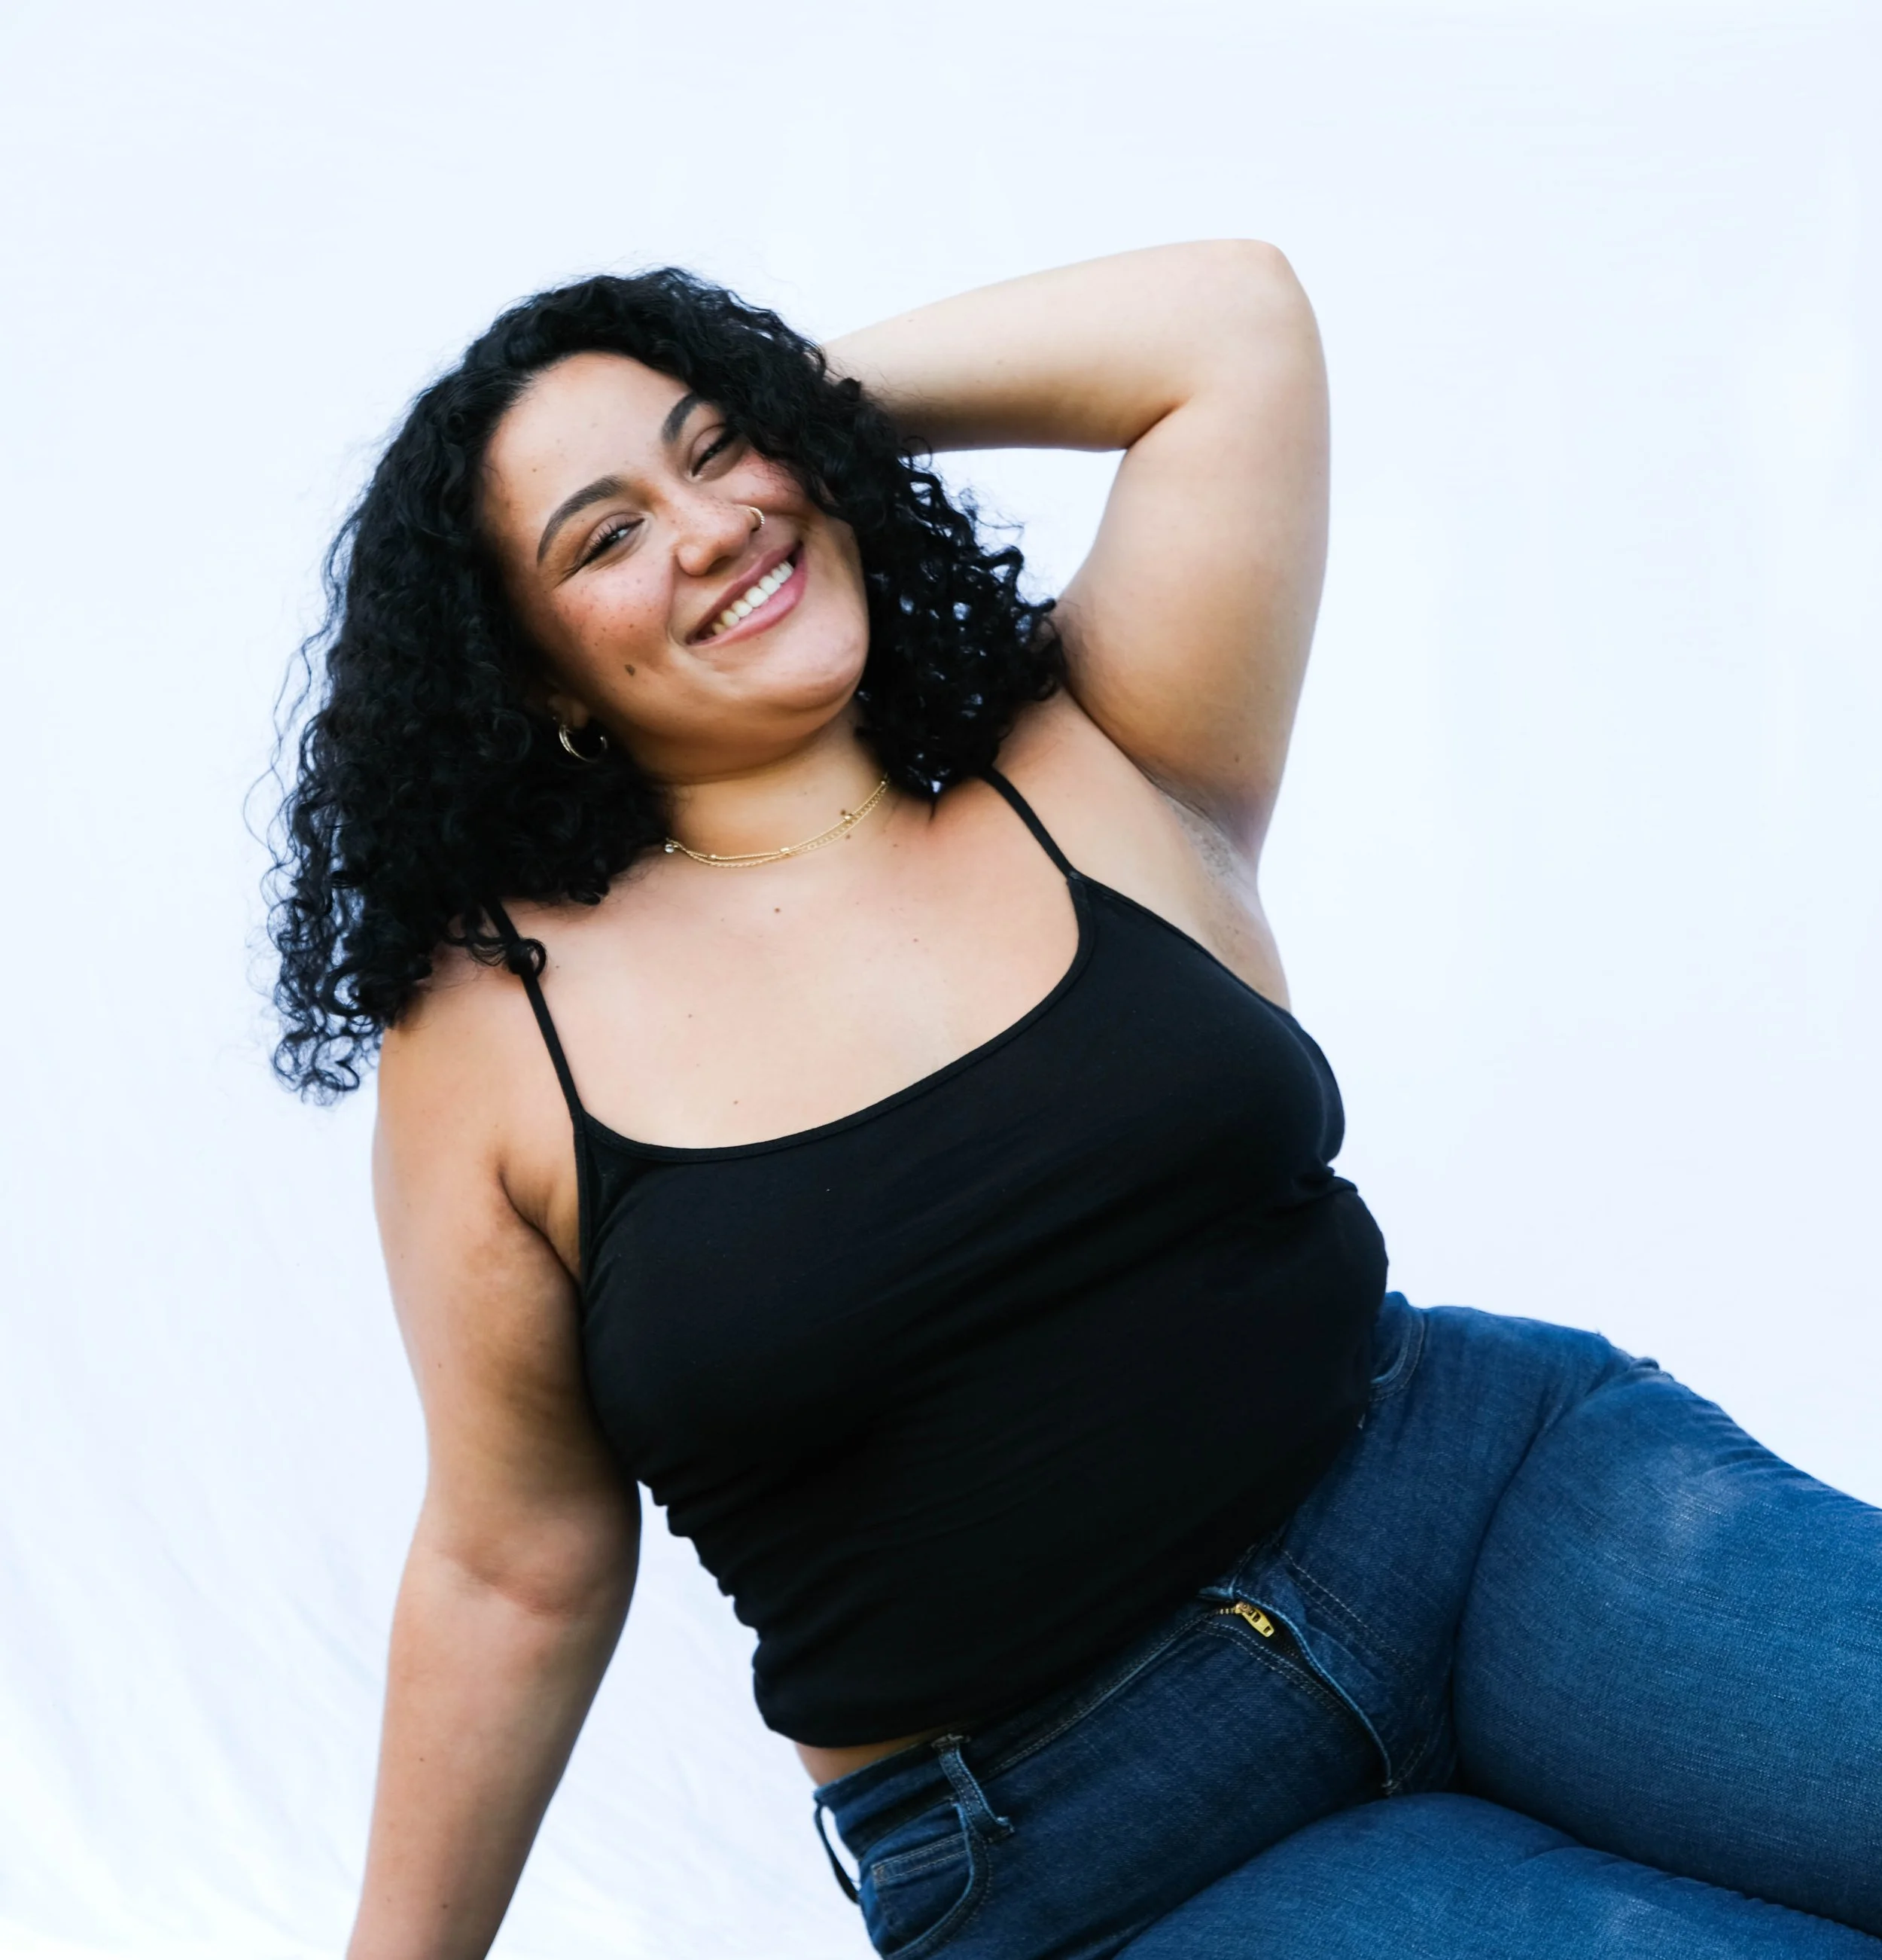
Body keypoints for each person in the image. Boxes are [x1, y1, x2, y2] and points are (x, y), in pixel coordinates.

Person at [270, 245, 1882, 1958]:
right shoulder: (497, 1028)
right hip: (1074, 1838)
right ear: (527, 676)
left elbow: (1226, 330)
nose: (712, 526)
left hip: (1479, 1508)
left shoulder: (1087, 746)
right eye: (605, 534)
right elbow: (514, 1564)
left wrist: (786, 413)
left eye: (716, 446)